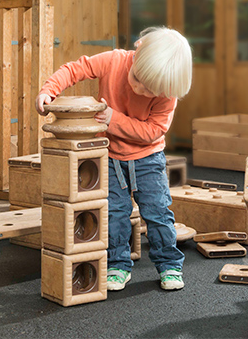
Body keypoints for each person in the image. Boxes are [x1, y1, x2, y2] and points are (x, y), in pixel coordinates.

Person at [35, 26, 192, 292]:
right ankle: (118, 264)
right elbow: (75, 69)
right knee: (114, 214)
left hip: (148, 159)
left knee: (158, 213)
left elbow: (153, 132)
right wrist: (49, 90)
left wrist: (114, 119)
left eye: (149, 90)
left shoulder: (167, 91)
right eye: (137, 78)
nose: (139, 89)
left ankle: (169, 264)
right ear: (138, 49)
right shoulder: (114, 61)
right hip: (110, 157)